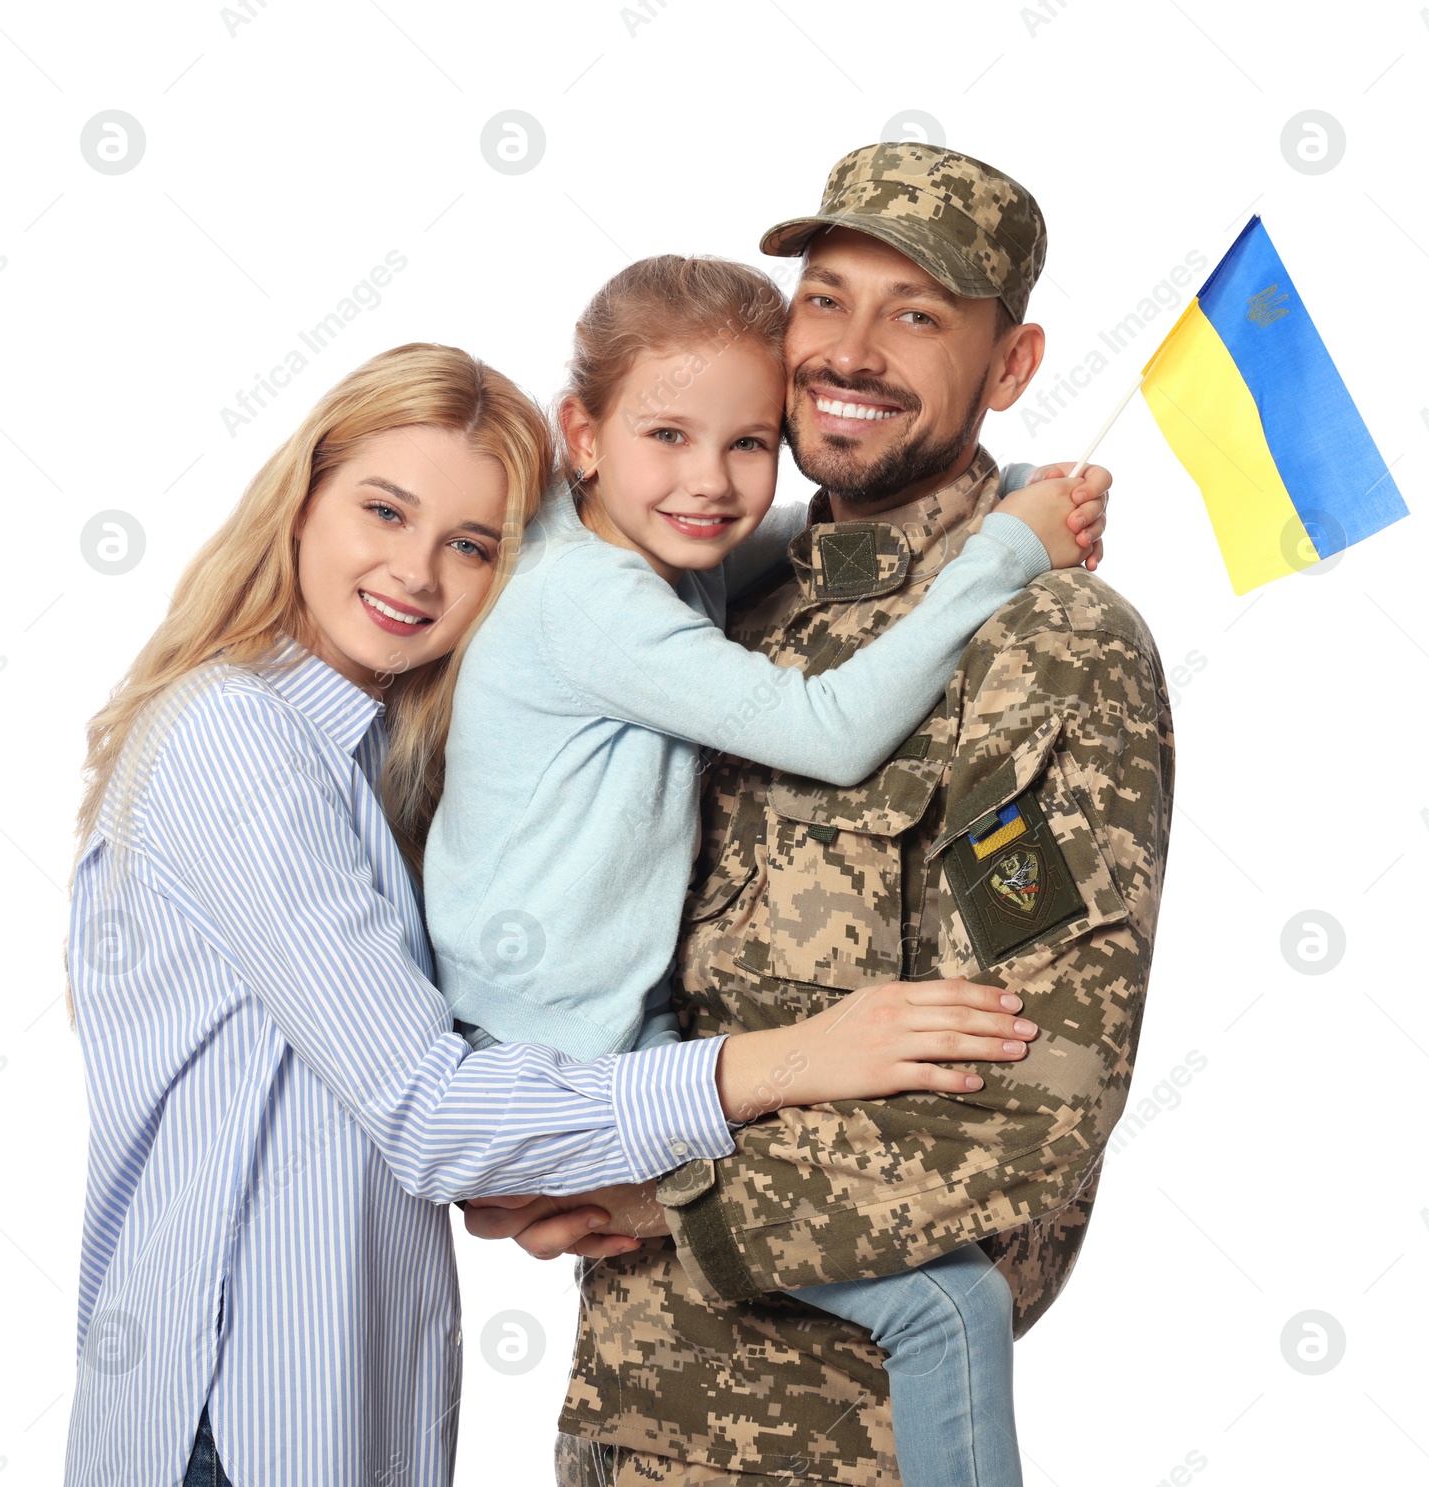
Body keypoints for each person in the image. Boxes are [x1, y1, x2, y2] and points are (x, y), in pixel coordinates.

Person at [62, 342, 1058, 1487]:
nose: (417, 573)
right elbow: (428, 1110)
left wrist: (537, 1169)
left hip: (343, 1413)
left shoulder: (369, 749)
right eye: (383, 511)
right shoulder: (234, 739)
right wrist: (792, 1060)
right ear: (302, 501)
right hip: (232, 1421)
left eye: (471, 544)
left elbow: (384, 1107)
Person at [465, 143, 1176, 1487]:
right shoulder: (714, 579)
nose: (852, 350)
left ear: (1010, 367)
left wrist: (654, 1185)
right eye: (827, 298)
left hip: (844, 1438)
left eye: (917, 314)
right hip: (627, 1413)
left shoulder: (1040, 646)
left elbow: (1036, 1094)